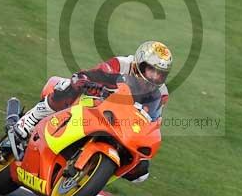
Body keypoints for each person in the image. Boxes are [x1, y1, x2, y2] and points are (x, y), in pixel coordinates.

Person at [13, 40, 172, 182]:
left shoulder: (162, 92)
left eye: (160, 74)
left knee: (141, 170)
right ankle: (30, 120)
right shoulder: (121, 64)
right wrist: (87, 81)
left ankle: (93, 173)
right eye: (152, 70)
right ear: (140, 63)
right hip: (95, 100)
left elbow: (152, 117)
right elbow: (93, 74)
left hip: (121, 121)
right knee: (69, 86)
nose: (155, 77)